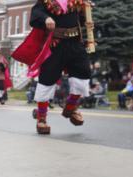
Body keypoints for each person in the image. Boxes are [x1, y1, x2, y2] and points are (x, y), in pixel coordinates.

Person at [12, 0, 93, 134]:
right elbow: (36, 13)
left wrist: (87, 14)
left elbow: (82, 17)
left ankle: (70, 108)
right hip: (55, 45)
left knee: (83, 74)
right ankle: (41, 118)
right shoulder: (46, 1)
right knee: (47, 80)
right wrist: (46, 18)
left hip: (75, 43)